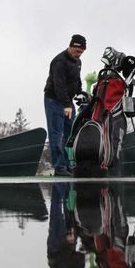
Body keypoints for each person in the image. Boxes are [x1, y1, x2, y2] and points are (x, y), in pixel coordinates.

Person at [44, 34, 86, 176]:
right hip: (54, 100)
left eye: (81, 52)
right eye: (77, 50)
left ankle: (68, 165)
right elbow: (59, 85)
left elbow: (77, 80)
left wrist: (80, 93)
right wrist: (67, 104)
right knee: (56, 133)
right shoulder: (59, 61)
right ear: (71, 46)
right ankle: (59, 167)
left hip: (67, 101)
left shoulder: (77, 61)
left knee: (69, 134)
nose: (78, 54)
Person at [47, 182, 91, 268]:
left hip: (57, 248)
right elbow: (79, 265)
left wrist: (69, 244)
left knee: (56, 215)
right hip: (69, 245)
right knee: (69, 212)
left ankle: (57, 184)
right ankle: (65, 186)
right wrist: (83, 253)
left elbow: (61, 263)